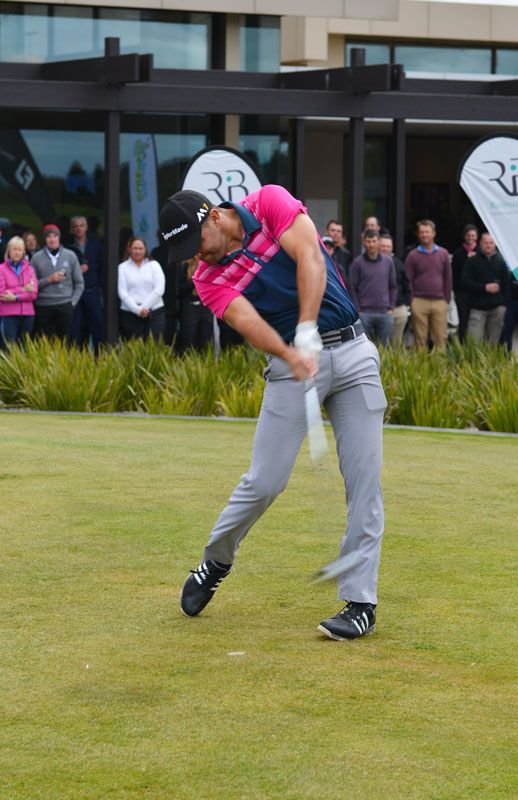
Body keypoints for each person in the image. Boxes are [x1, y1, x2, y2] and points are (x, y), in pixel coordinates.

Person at [159, 185, 387, 641]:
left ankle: (360, 602)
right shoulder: (207, 278)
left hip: (353, 352)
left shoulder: (269, 203)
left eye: (196, 243)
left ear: (215, 218)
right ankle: (216, 560)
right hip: (289, 367)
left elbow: (311, 259)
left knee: (365, 480)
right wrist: (290, 352)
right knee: (264, 481)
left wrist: (307, 326)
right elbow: (248, 322)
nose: (196, 256)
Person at [31, 224, 84, 339]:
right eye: (49, 237)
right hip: (43, 306)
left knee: (65, 342)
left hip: (64, 305)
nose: (52, 239)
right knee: (43, 342)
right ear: (45, 239)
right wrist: (49, 280)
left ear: (59, 238)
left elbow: (79, 283)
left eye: (55, 236)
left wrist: (72, 303)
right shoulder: (36, 258)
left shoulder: (70, 256)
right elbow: (31, 285)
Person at [404, 220, 451, 348]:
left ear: (433, 233)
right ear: (418, 234)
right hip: (419, 301)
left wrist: (446, 300)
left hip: (439, 301)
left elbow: (447, 278)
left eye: (427, 232)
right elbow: (408, 279)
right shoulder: (413, 255)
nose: (424, 235)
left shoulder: (443, 253)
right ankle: (421, 361)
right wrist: (412, 300)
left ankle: (439, 361)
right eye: (421, 232)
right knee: (420, 340)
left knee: (440, 339)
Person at [348, 229, 397, 347]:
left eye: (374, 241)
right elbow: (352, 288)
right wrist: (358, 309)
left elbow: (393, 286)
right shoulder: (357, 263)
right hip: (364, 313)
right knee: (365, 347)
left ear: (379, 241)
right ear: (364, 242)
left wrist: (391, 307)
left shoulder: (388, 262)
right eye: (368, 241)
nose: (371, 244)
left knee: (384, 348)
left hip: (385, 312)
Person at [461, 232, 510, 345]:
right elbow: (464, 282)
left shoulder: (501, 261)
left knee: (493, 344)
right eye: (486, 243)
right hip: (477, 309)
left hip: (497, 309)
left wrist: (504, 304)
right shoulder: (472, 261)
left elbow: (507, 285)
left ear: (495, 244)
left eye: (491, 243)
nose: (489, 245)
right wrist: (484, 287)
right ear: (480, 244)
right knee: (474, 343)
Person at [117, 236, 166, 341]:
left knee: (154, 346)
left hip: (154, 313)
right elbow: (122, 292)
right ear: (129, 249)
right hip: (130, 314)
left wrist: (144, 307)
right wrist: (138, 310)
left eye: (140, 248)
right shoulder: (122, 267)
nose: (138, 251)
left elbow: (159, 288)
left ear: (145, 249)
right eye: (135, 248)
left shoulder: (154, 265)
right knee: (133, 347)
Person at [67, 215, 104, 350]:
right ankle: (78, 358)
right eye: (76, 226)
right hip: (74, 293)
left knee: (97, 327)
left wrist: (100, 287)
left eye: (81, 226)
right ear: (72, 229)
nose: (79, 229)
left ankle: (100, 358)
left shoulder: (96, 245)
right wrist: (77, 270)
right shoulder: (67, 247)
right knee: (76, 329)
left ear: (86, 227)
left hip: (92, 291)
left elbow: (103, 268)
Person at [0, 236, 38, 344]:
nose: (17, 252)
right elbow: (2, 293)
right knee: (9, 348)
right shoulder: (1, 269)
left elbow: (33, 294)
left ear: (23, 252)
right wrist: (23, 289)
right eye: (14, 249)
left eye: (20, 250)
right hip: (8, 315)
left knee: (25, 348)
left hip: (27, 315)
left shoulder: (30, 269)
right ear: (9, 251)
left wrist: (15, 297)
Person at [379, 234, 411, 346]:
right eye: (383, 246)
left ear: (392, 248)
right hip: (377, 311)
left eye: (388, 246)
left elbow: (407, 286)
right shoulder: (369, 263)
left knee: (396, 345)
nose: (385, 249)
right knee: (379, 344)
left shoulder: (399, 264)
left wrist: (405, 304)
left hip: (398, 309)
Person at [178, 254, 214, 352]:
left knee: (206, 341)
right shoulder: (185, 265)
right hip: (190, 306)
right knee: (188, 340)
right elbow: (180, 289)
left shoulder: (210, 264)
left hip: (206, 306)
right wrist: (195, 280)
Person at [451, 224, 479, 343]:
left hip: (478, 292)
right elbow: (454, 274)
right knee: (463, 320)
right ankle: (463, 345)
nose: (470, 237)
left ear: (476, 237)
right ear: (464, 236)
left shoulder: (481, 251)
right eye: (468, 235)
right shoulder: (458, 253)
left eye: (473, 235)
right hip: (462, 293)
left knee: (477, 321)